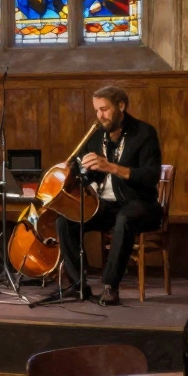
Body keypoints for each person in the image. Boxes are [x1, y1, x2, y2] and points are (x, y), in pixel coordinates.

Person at [54, 86, 163, 306]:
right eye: (96, 110)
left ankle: (110, 287)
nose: (99, 116)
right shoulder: (96, 135)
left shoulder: (144, 133)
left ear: (121, 106)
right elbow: (86, 173)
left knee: (125, 219)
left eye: (104, 109)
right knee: (64, 221)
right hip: (105, 205)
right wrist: (71, 171)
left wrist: (112, 168)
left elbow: (151, 175)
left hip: (140, 203)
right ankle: (78, 285)